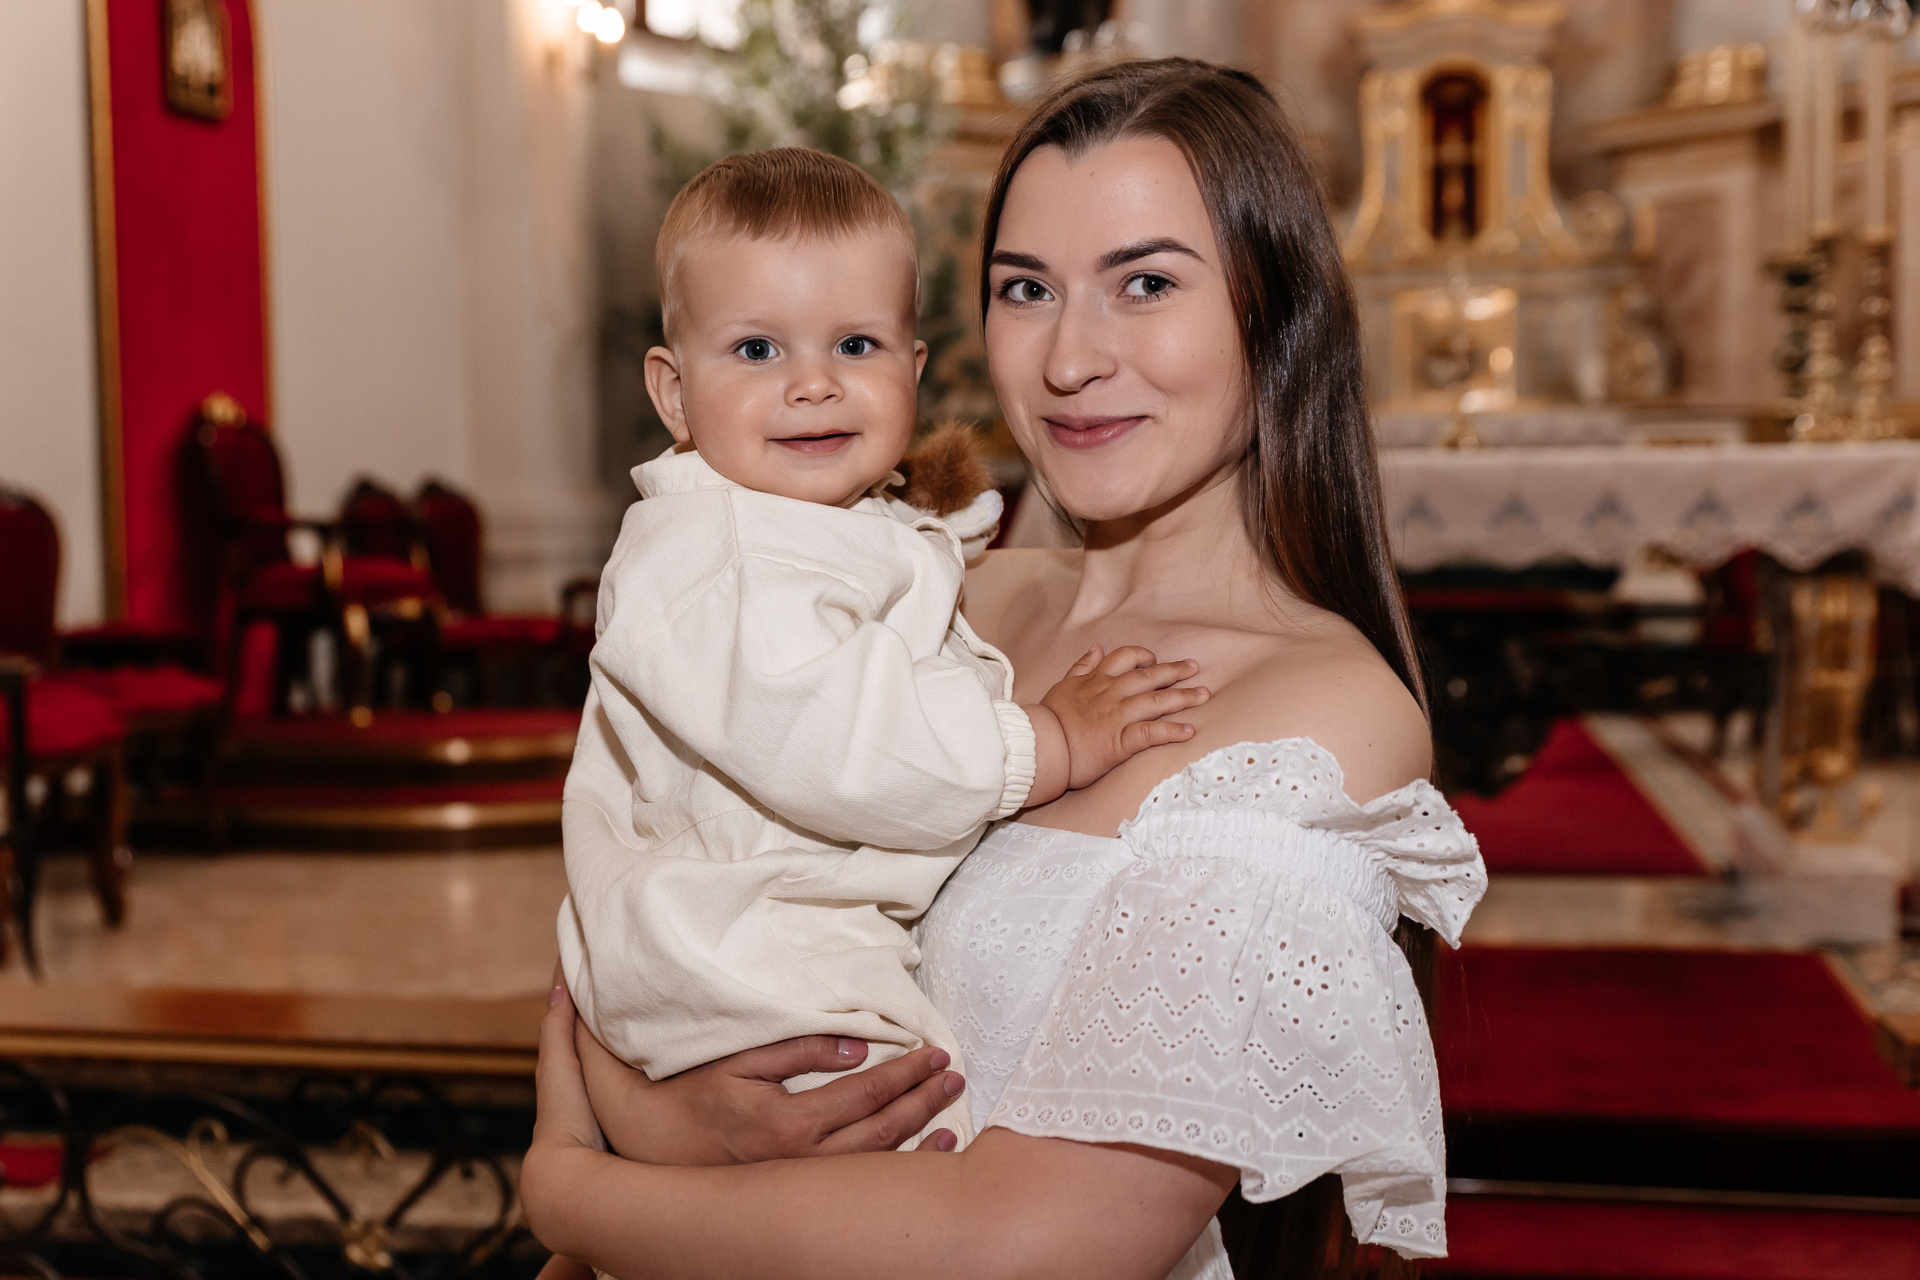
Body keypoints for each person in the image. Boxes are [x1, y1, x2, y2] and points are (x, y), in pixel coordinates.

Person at [523, 59, 1487, 1280]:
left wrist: (576, 1188)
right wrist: (668, 1113)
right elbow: (643, 889)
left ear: (1274, 310)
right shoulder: (940, 590)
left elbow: (1031, 1247)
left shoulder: (1318, 721)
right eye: (1026, 288)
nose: (1069, 357)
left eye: (1145, 283)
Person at [561, 146, 1210, 1153]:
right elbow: (843, 739)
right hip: (756, 969)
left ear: (912, 369)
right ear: (674, 392)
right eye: (757, 350)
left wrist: (946, 527)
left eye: (855, 345)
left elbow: (883, 562)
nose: (814, 385)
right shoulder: (718, 557)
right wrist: (1048, 742)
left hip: (775, 946)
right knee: (919, 1150)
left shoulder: (791, 523)